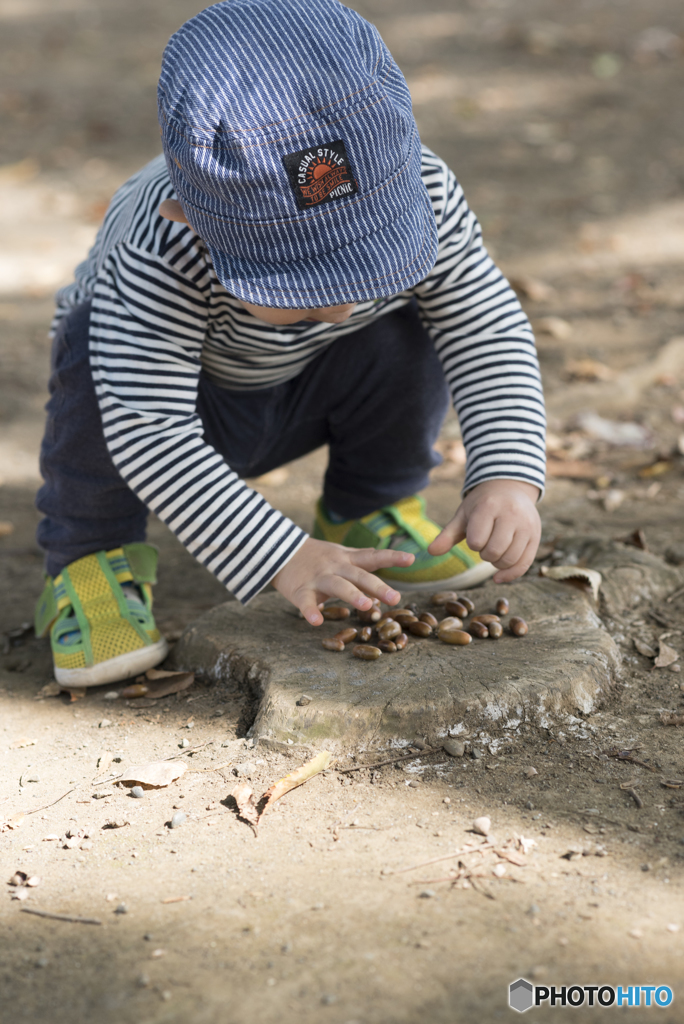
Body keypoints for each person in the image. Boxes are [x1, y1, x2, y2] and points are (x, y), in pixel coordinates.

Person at [34, 0, 546, 688]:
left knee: (411, 324)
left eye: (371, 263)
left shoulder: (424, 187)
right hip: (179, 411)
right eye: (294, 285)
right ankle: (91, 563)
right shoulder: (159, 244)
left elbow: (483, 323)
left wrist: (508, 473)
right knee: (94, 357)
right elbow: (150, 429)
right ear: (189, 215)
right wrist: (279, 554)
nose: (339, 304)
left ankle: (371, 509)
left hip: (311, 388)